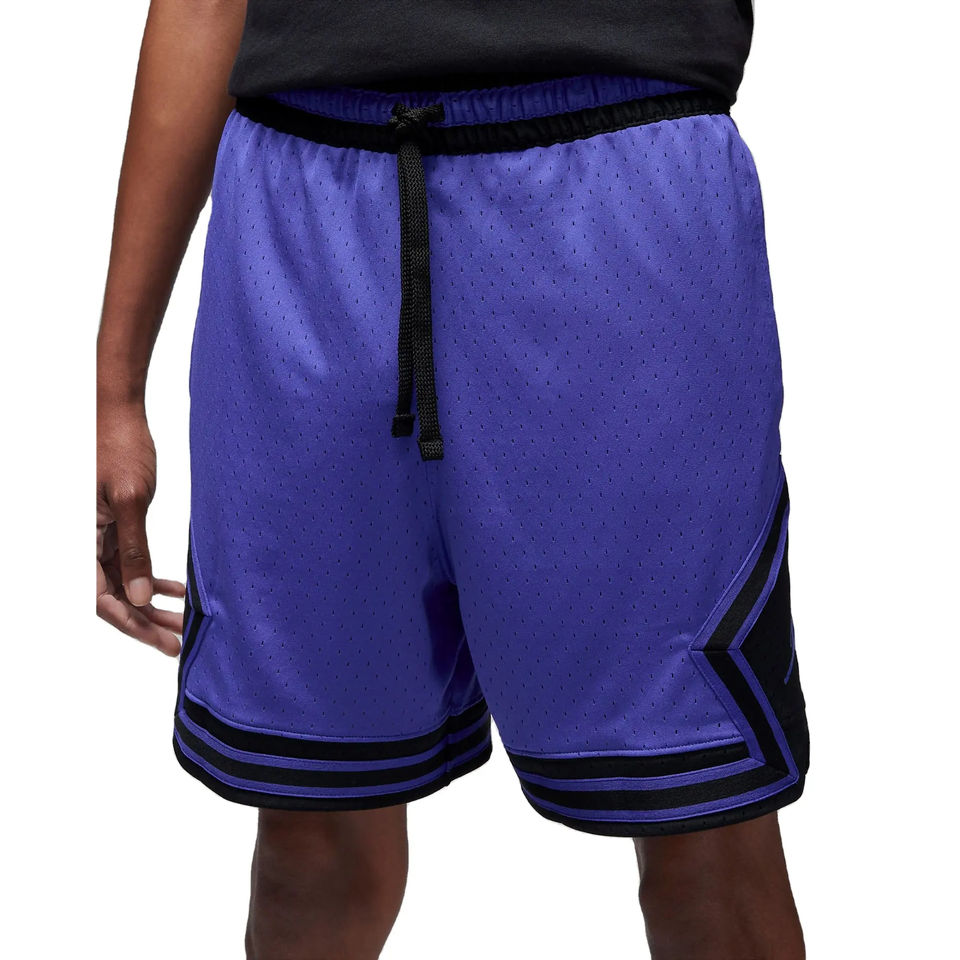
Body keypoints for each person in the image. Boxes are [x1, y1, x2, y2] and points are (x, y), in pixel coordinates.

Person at [96, 1, 809, 957]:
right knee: (310, 832)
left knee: (703, 817)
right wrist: (115, 386)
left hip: (619, 190)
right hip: (303, 214)